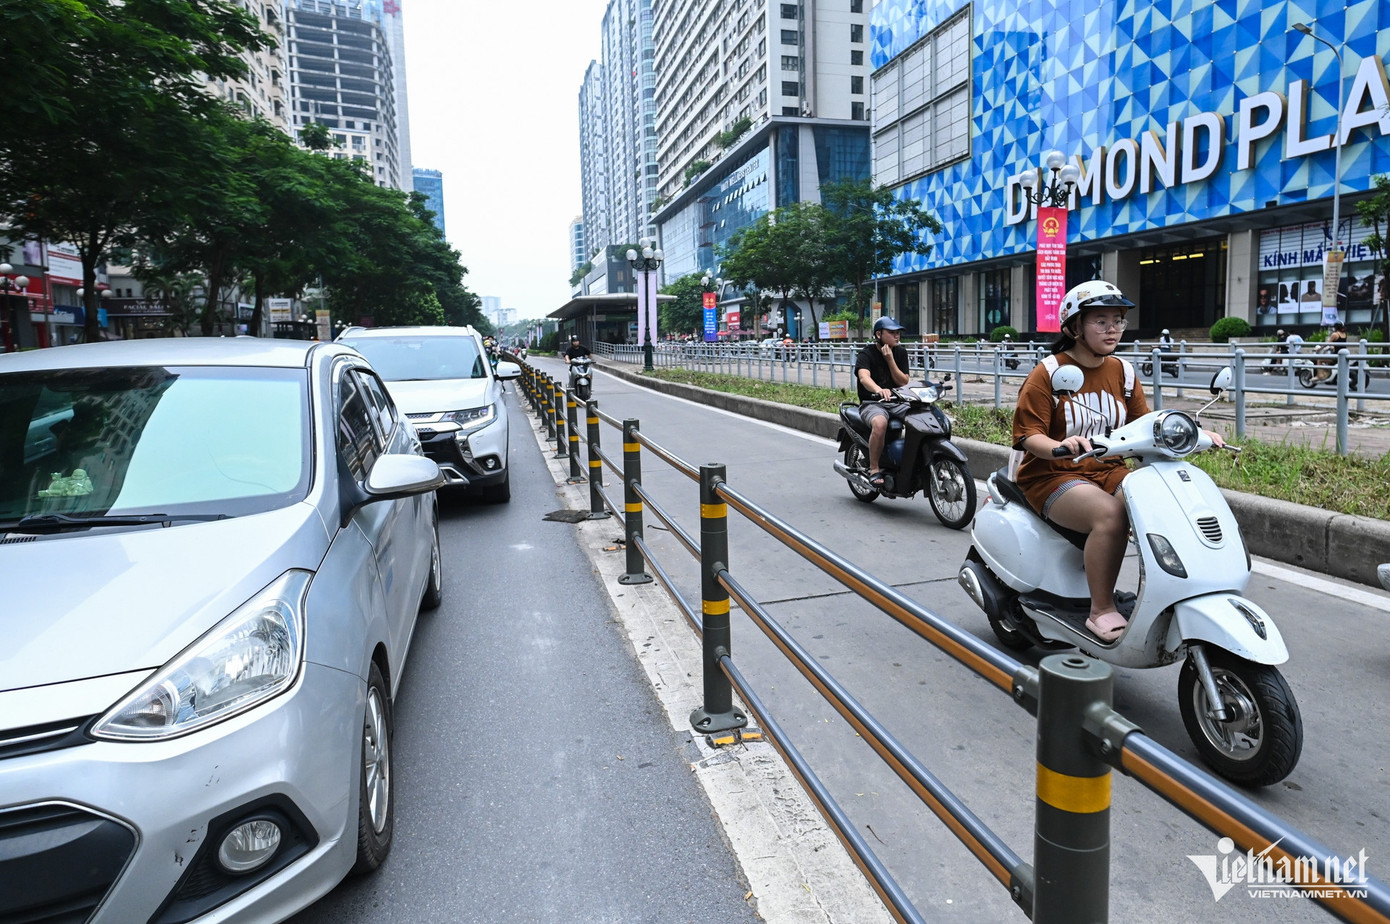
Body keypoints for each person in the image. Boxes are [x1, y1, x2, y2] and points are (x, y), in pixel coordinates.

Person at [1012, 281, 1224, 642]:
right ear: (1075, 327)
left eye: (1118, 320)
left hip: (1107, 469)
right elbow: (1027, 435)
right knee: (1111, 516)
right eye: (1100, 321)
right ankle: (1101, 610)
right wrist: (1061, 446)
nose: (1112, 329)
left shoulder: (1123, 373)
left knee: (1164, 500)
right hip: (1052, 473)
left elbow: (1144, 426)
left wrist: (1195, 432)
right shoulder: (1048, 373)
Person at [853, 316, 912, 486]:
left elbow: (903, 382)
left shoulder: (900, 353)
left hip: (897, 402)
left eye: (898, 332)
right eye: (892, 332)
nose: (897, 336)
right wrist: (879, 390)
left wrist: (890, 359)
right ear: (879, 334)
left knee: (923, 418)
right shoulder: (867, 353)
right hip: (872, 403)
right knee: (880, 424)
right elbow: (864, 378)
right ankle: (874, 468)